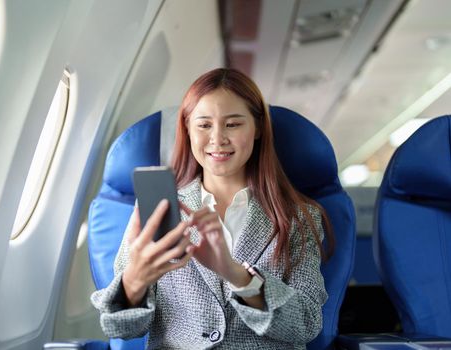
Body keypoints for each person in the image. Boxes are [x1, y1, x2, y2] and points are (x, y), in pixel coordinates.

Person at [91, 68, 334, 349]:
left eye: (232, 124)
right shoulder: (156, 209)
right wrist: (134, 280)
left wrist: (236, 275)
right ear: (188, 130)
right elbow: (120, 327)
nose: (217, 138)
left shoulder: (297, 218)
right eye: (204, 125)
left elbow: (305, 324)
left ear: (257, 129)